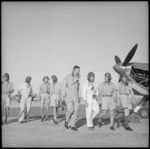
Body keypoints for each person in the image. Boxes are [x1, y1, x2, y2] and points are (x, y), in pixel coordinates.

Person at [61, 65, 81, 131]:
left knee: (76, 111)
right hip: (69, 97)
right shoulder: (67, 77)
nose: (79, 71)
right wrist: (63, 96)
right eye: (78, 70)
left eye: (79, 70)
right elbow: (63, 86)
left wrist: (79, 97)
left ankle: (73, 125)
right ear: (74, 69)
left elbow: (78, 89)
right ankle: (66, 121)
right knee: (71, 110)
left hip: (76, 97)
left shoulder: (78, 78)